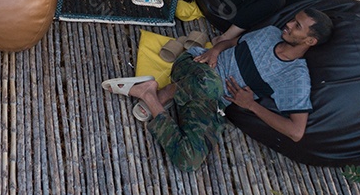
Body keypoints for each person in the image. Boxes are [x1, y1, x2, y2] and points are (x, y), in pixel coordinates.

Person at [107, 9, 333, 171]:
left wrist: (251, 105)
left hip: (214, 101)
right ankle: (166, 93)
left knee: (190, 160)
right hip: (197, 64)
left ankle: (150, 95)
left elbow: (296, 132)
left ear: (310, 41)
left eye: (297, 27)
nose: (289, 25)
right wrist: (215, 50)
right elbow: (232, 43)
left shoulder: (295, 76)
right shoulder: (270, 33)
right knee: (208, 82)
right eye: (293, 20)